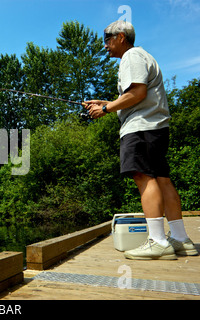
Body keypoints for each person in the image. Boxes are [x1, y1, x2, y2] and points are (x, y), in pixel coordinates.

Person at [84, 20, 198, 260]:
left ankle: (158, 241)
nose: (105, 46)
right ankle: (180, 240)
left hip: (140, 129)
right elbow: (133, 96)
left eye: (108, 40)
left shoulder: (131, 57)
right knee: (162, 180)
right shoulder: (142, 56)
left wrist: (105, 110)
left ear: (121, 37)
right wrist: (105, 103)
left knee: (144, 177)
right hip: (155, 127)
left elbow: (137, 93)